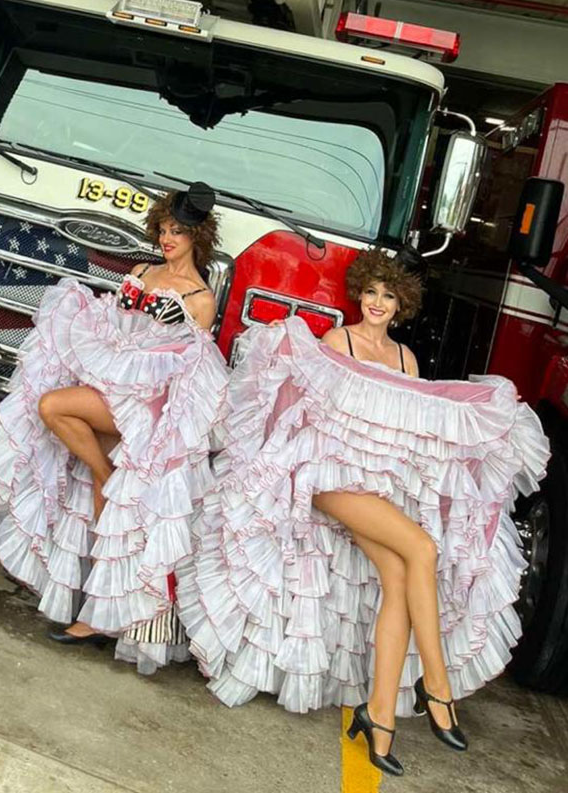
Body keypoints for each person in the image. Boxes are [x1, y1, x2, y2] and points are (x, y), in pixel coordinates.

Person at [178, 248, 549, 777]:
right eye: (371, 293)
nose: (376, 303)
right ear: (361, 295)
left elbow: (409, 438)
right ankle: (438, 691)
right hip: (327, 479)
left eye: (388, 296)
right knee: (422, 548)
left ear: (402, 304)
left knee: (400, 572)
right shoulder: (338, 342)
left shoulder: (407, 362)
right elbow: (313, 421)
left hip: (373, 490)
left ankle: (379, 721)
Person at [0, 183, 229, 673]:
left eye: (177, 232)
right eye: (162, 229)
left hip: (145, 404)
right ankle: (94, 602)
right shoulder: (140, 272)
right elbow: (114, 329)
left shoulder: (201, 298)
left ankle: (103, 486)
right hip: (112, 385)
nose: (167, 239)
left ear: (197, 237)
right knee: (59, 424)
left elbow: (190, 370)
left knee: (54, 407)